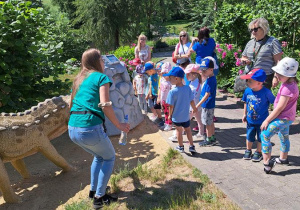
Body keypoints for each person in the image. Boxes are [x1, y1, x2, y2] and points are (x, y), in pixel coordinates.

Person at [68, 48, 130, 209]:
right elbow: (105, 104)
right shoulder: (101, 77)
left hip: (73, 128)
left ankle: (93, 190)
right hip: (89, 128)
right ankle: (99, 198)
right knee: (109, 157)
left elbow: (71, 103)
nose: (104, 62)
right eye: (102, 59)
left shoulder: (79, 79)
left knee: (99, 156)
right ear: (97, 61)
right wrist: (119, 125)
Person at [260, 57, 299, 174]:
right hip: (288, 117)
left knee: (265, 135)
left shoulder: (287, 88)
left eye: (281, 74)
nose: (277, 75)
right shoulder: (290, 82)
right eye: (277, 73)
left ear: (290, 75)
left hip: (283, 118)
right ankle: (283, 158)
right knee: (284, 136)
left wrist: (267, 120)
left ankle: (267, 163)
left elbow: (279, 108)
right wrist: (277, 78)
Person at [240, 69, 275, 162]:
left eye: (250, 81)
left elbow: (275, 103)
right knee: (249, 136)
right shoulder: (247, 91)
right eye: (247, 80)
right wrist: (244, 114)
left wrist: (272, 117)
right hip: (250, 120)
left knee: (260, 137)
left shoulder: (266, 92)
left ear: (259, 83)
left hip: (262, 122)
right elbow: (245, 102)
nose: (247, 82)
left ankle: (258, 152)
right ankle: (248, 150)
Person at [241, 18, 282, 89]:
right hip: (250, 76)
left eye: (255, 29)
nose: (253, 32)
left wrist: (276, 77)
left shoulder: (272, 42)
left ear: (264, 28)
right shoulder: (250, 43)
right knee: (250, 98)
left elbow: (278, 62)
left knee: (262, 98)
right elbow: (243, 57)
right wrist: (245, 61)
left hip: (264, 78)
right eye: (251, 30)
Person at [164, 67, 197, 153]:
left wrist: (170, 115)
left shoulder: (172, 92)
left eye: (170, 78)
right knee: (188, 130)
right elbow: (191, 100)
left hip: (177, 117)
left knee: (179, 131)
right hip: (186, 116)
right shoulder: (187, 88)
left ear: (176, 78)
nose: (169, 79)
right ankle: (191, 146)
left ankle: (181, 147)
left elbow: (171, 106)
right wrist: (194, 108)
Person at [196, 58, 217, 146]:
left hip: (207, 105)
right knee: (210, 121)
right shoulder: (210, 79)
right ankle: (212, 137)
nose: (203, 72)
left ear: (211, 70)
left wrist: (198, 105)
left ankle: (208, 139)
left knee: (207, 124)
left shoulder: (210, 81)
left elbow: (206, 95)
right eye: (202, 70)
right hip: (209, 104)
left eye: (204, 70)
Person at [184, 64, 205, 139]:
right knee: (199, 120)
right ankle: (201, 132)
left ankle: (178, 134)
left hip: (193, 107)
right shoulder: (193, 82)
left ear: (194, 75)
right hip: (195, 106)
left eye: (188, 74)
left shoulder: (195, 85)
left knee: (185, 120)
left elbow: (194, 97)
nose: (186, 77)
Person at [144, 62, 164, 127]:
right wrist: (150, 93)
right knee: (156, 107)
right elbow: (151, 85)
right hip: (153, 93)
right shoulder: (151, 75)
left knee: (158, 107)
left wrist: (159, 95)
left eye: (147, 72)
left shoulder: (158, 75)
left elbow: (160, 85)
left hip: (158, 94)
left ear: (151, 70)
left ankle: (161, 119)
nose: (147, 74)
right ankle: (159, 117)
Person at [157, 62, 173, 131]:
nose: (164, 75)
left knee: (169, 113)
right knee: (165, 112)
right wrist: (159, 97)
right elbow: (160, 89)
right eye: (163, 73)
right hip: (163, 100)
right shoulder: (162, 79)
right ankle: (166, 123)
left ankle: (169, 124)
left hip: (169, 101)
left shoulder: (171, 82)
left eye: (166, 73)